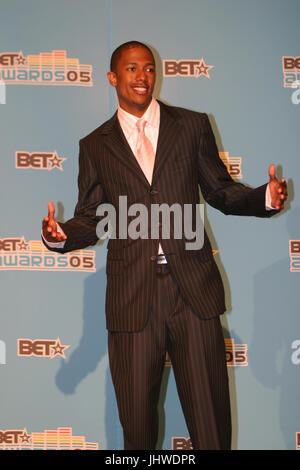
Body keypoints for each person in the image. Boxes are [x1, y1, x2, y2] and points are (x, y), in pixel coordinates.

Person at [42, 41, 288, 450]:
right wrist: (62, 236)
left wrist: (263, 198)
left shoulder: (191, 125)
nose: (143, 76)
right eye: (132, 68)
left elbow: (221, 191)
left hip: (193, 294)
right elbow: (93, 216)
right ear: (113, 78)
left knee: (212, 428)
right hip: (132, 298)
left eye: (149, 68)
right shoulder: (95, 145)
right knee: (137, 432)